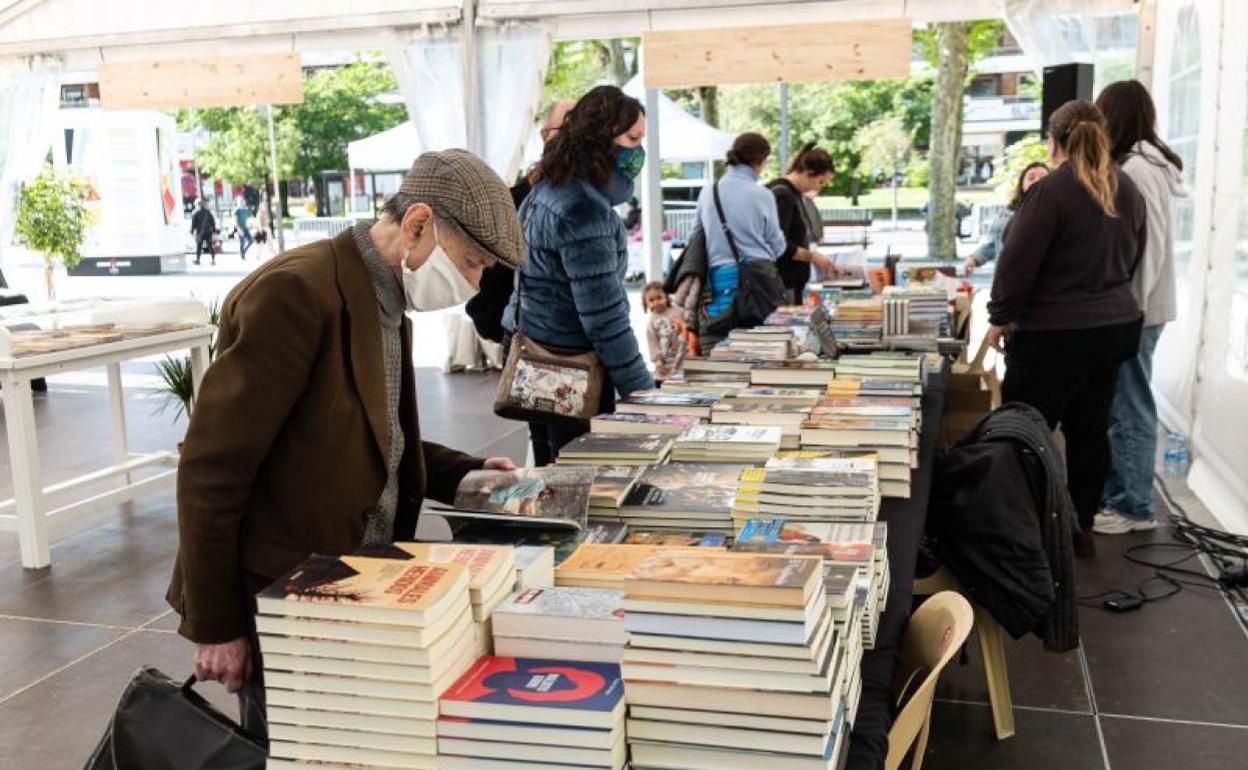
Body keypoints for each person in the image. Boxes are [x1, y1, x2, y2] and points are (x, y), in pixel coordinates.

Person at [167, 149, 524, 736]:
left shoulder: (385, 302)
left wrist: (466, 473)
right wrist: (215, 624)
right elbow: (212, 468)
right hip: (280, 593)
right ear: (417, 225)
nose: (474, 282)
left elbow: (368, 434)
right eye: (471, 262)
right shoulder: (297, 293)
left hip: (351, 584)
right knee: (288, 742)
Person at [986, 100, 1147, 557]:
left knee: (1024, 432)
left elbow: (1016, 266)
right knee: (1090, 430)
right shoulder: (1128, 189)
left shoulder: (1051, 192)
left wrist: (1000, 317)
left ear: (1052, 142)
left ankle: (1024, 531)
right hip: (1114, 327)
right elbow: (1135, 257)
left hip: (1054, 333)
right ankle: (1082, 526)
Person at [502, 85, 655, 463]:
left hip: (534, 352)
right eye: (632, 138)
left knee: (549, 474)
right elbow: (605, 318)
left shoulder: (549, 186)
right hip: (570, 367)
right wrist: (644, 395)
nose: (638, 150)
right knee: (575, 478)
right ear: (601, 139)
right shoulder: (584, 209)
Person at [1093, 79, 1187, 535]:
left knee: (1130, 404)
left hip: (1138, 309)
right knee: (1125, 401)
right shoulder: (1147, 165)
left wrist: (1128, 310)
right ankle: (1123, 497)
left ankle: (1133, 506)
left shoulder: (1140, 171)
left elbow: (1146, 248)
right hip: (1141, 306)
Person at [467, 100, 575, 345]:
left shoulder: (598, 205)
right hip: (529, 351)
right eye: (567, 127)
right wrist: (514, 333)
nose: (575, 138)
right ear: (545, 135)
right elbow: (485, 303)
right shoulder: (511, 203)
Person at [694, 133, 802, 345]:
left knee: (719, 347)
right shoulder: (762, 195)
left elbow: (697, 238)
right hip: (759, 283)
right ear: (760, 161)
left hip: (719, 283)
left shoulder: (708, 192)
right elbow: (778, 246)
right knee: (762, 349)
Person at [767, 142, 837, 304]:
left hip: (791, 282)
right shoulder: (783, 195)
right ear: (809, 173)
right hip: (783, 283)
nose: (818, 189)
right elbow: (780, 244)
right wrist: (813, 257)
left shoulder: (793, 194)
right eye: (820, 182)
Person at [964, 162, 1050, 275]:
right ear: (1022, 185)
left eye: (1043, 178)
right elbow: (994, 245)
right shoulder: (1006, 212)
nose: (1037, 181)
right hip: (1005, 281)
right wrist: (974, 259)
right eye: (1031, 178)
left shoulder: (1056, 214)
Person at [642, 281, 687, 383]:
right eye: (651, 300)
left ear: (666, 297)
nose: (656, 302)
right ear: (646, 303)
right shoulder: (652, 322)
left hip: (682, 357)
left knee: (683, 383)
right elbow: (652, 342)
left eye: (659, 297)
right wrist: (657, 361)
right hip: (664, 362)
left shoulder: (678, 311)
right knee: (663, 383)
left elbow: (687, 329)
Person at [190, 198, 216, 266]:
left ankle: (198, 260)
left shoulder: (195, 212)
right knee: (210, 246)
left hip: (199, 232)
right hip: (208, 231)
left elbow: (193, 223)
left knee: (199, 246)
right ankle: (213, 260)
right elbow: (212, 221)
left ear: (197, 204)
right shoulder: (208, 212)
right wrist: (214, 230)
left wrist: (192, 231)